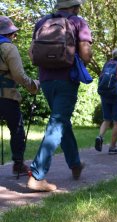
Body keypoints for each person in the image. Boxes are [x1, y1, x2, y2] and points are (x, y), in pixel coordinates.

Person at [27, 0, 93, 192]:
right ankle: (37, 175)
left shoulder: (42, 23)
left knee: (62, 121)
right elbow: (86, 54)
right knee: (57, 123)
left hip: (46, 81)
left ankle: (75, 164)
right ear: (75, 7)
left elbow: (32, 54)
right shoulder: (78, 22)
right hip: (66, 80)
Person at [0, 16, 39, 176]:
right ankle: (18, 164)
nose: (14, 37)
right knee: (17, 129)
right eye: (14, 34)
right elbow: (19, 75)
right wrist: (34, 85)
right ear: (9, 34)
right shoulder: (9, 48)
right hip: (7, 96)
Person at [95, 48, 117, 154]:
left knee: (106, 119)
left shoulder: (107, 64)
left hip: (104, 94)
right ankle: (112, 147)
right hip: (116, 95)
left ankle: (100, 136)